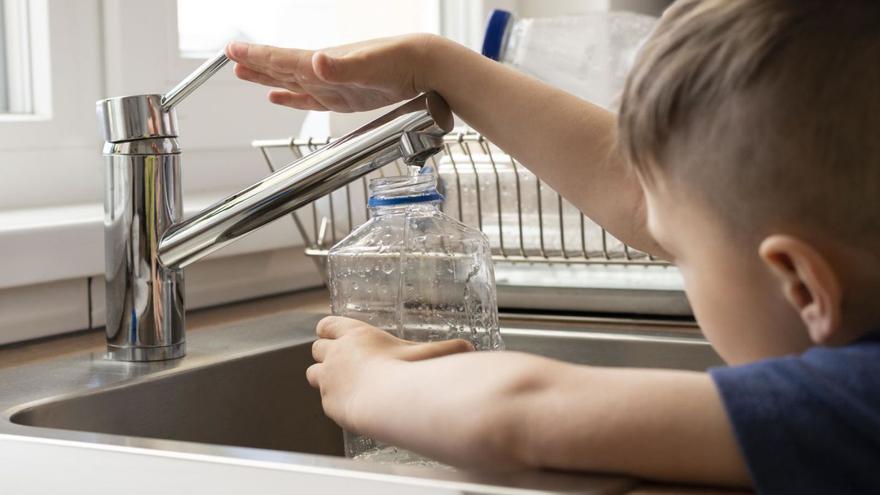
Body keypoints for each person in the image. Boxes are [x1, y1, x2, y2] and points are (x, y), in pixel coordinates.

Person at [225, 0, 880, 491]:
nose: (656, 236)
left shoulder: (853, 401)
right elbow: (643, 194)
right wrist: (435, 65)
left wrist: (373, 381)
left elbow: (521, 413)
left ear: (800, 283)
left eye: (674, 252)